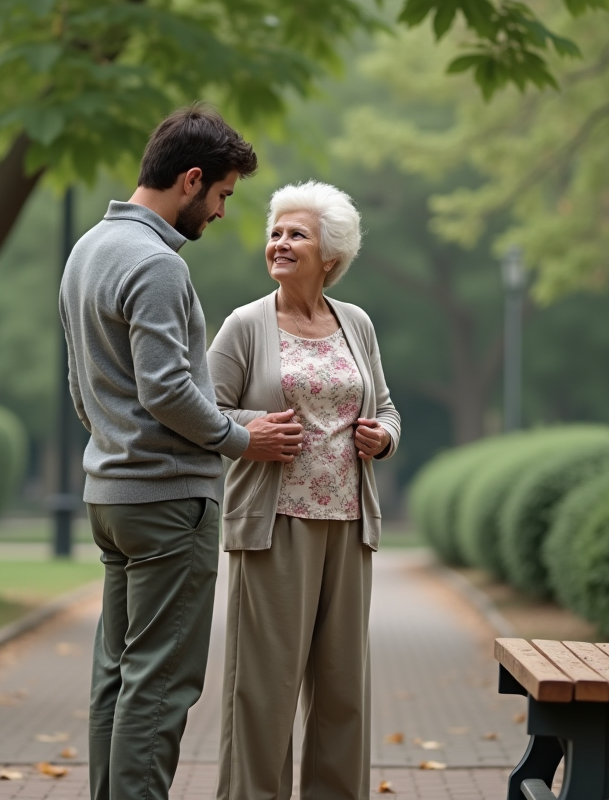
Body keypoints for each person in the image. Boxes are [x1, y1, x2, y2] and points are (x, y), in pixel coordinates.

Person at [58, 104, 306, 800]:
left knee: (118, 674)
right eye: (222, 194)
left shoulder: (87, 250)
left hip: (110, 495)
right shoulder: (156, 264)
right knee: (161, 684)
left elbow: (82, 386)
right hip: (168, 502)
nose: (222, 212)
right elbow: (167, 389)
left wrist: (115, 441)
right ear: (190, 180)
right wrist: (241, 439)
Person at [208, 180, 401, 800]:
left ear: (331, 256)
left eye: (297, 234)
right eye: (275, 233)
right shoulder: (245, 325)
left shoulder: (356, 323)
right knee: (263, 692)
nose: (280, 243)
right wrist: (253, 432)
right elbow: (201, 413)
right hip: (274, 526)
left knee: (343, 694)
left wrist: (383, 438)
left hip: (349, 525)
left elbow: (387, 409)